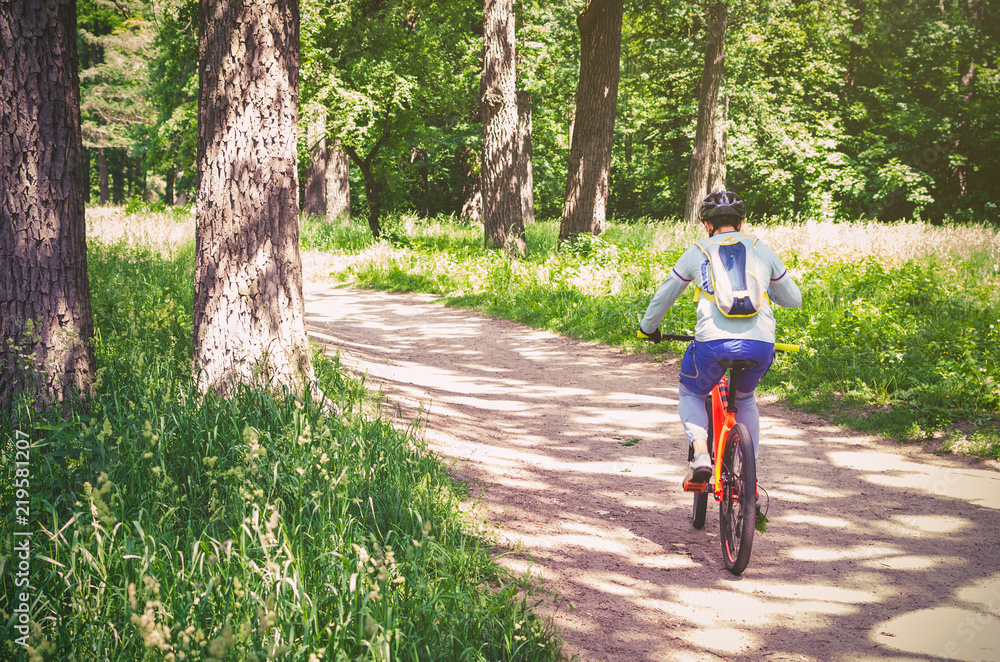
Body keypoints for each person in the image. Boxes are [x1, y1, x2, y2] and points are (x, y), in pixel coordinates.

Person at [638, 191, 802, 485]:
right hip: (760, 345)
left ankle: (701, 454)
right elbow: (794, 299)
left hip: (712, 345)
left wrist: (648, 327)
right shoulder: (761, 250)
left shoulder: (697, 251)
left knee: (692, 393)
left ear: (706, 224)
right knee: (745, 397)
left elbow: (665, 295)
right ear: (741, 223)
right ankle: (747, 472)